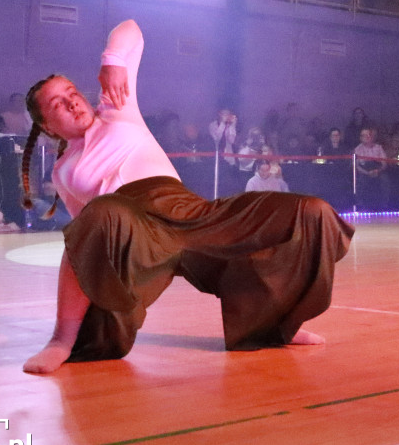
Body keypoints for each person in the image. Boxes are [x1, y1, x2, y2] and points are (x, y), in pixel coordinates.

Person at [18, 20, 353, 373]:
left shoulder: (117, 109)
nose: (72, 102)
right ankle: (61, 340)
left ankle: (278, 325)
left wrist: (112, 62)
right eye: (57, 104)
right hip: (136, 233)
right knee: (101, 214)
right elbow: (83, 243)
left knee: (309, 211)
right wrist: (69, 331)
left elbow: (131, 30)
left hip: (190, 213)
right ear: (47, 126)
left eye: (72, 92)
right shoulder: (62, 172)